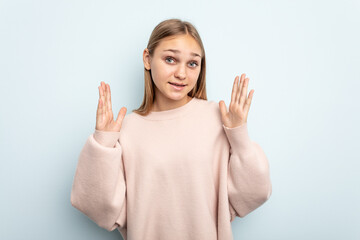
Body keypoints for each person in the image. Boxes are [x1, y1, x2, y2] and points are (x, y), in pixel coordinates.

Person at [70, 18, 272, 240]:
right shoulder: (126, 129)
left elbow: (256, 192)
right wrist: (103, 143)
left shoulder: (217, 118)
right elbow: (98, 208)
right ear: (147, 59)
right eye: (170, 59)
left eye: (192, 63)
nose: (182, 74)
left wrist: (239, 135)